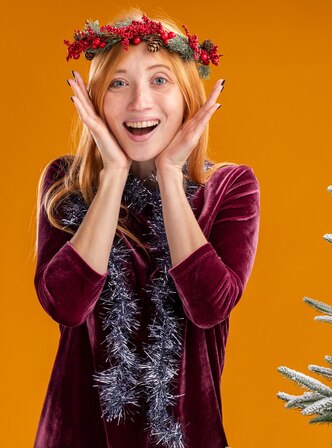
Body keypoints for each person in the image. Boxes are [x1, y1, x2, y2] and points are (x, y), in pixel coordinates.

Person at [33, 9, 260, 448]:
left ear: (189, 97)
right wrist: (113, 174)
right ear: (96, 98)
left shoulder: (230, 186)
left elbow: (210, 306)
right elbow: (66, 305)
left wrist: (171, 174)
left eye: (160, 80)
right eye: (119, 82)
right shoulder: (65, 183)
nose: (139, 102)